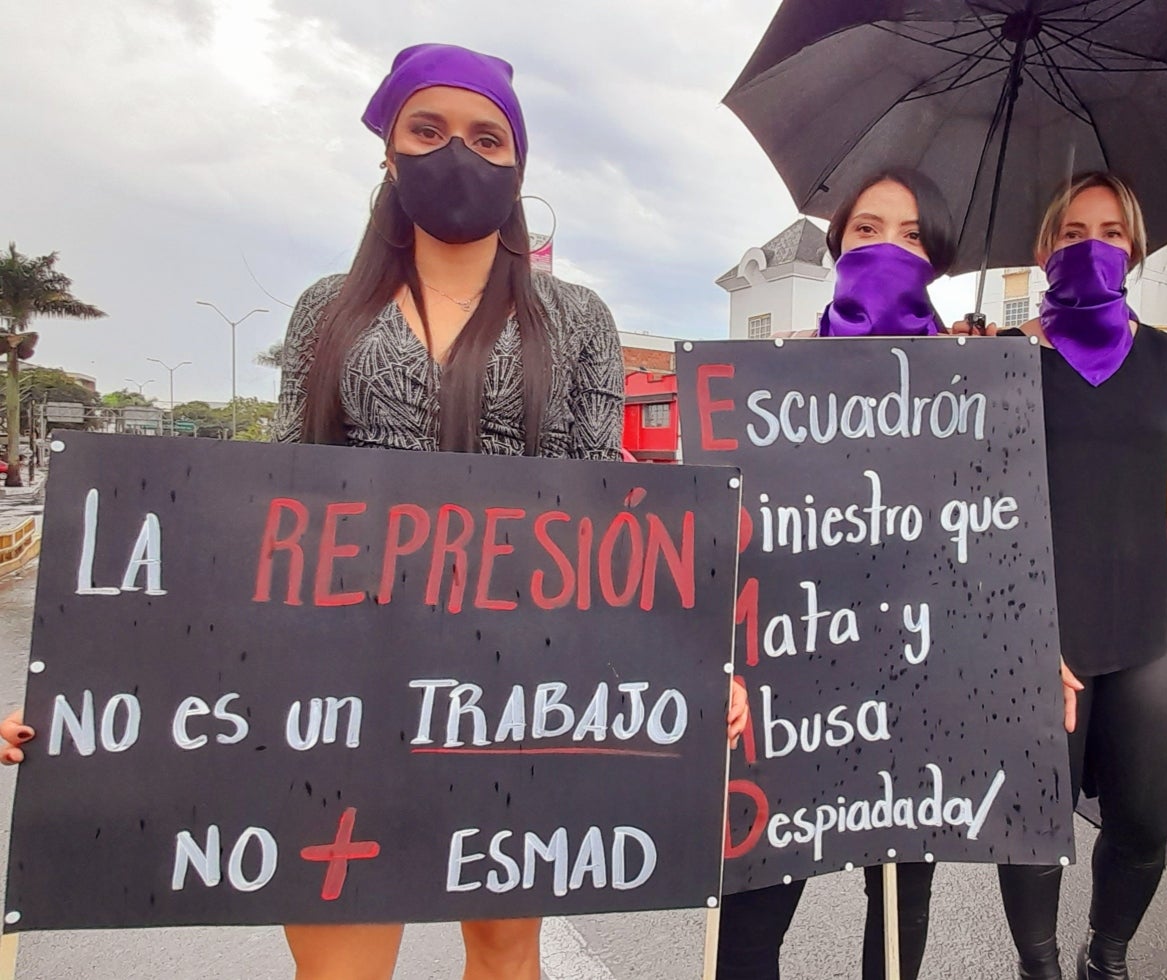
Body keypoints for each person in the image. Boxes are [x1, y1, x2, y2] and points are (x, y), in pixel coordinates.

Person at [4, 42, 750, 980]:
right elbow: (268, 502)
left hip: (516, 689)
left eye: (487, 139)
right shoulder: (331, 310)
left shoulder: (579, 319)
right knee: (340, 964)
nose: (458, 155)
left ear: (520, 166)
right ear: (388, 151)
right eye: (427, 130)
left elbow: (609, 519)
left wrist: (691, 665)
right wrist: (74, 686)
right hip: (338, 689)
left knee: (507, 953)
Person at [962, 171, 1167, 980]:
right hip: (1034, 627)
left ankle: (1107, 956)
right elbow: (969, 496)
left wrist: (1119, 522)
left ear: (1132, 248)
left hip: (1140, 621)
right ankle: (1037, 967)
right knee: (1032, 819)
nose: (1089, 246)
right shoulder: (1001, 357)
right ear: (1042, 250)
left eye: (1107, 232)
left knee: (1144, 818)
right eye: (1070, 233)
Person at [715, 168, 958, 980]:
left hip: (910, 681)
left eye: (912, 233)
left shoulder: (971, 391)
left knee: (897, 913)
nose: (888, 246)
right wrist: (716, 660)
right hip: (780, 678)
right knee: (749, 914)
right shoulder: (773, 377)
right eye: (867, 228)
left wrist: (1030, 652)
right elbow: (725, 535)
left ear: (939, 258)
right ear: (836, 244)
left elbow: (998, 548)